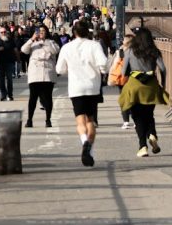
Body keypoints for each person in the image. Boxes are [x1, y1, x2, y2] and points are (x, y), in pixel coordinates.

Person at [55, 20, 108, 167]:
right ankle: (89, 149)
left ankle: (84, 141)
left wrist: (69, 70)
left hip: (76, 88)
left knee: (80, 120)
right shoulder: (95, 45)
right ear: (88, 31)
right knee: (90, 120)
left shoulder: (67, 47)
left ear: (74, 32)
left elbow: (59, 70)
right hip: (92, 87)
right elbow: (103, 64)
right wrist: (103, 71)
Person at [118, 28, 169, 157]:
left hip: (135, 85)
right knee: (149, 113)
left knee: (137, 117)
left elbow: (123, 72)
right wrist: (163, 83)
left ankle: (143, 146)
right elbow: (162, 68)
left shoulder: (130, 51)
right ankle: (152, 134)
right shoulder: (154, 51)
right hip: (151, 85)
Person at [20, 25, 59, 128]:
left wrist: (45, 41)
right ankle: (29, 120)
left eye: (43, 30)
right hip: (35, 73)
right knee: (33, 97)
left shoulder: (51, 42)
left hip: (47, 72)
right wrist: (32, 39)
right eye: (39, 31)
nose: (41, 32)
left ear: (46, 32)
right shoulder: (33, 43)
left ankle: (48, 119)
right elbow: (23, 50)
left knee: (48, 97)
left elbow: (55, 50)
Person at [108, 33, 134, 129]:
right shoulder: (136, 51)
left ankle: (126, 121)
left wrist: (110, 75)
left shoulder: (121, 51)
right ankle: (136, 120)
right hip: (134, 77)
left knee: (123, 99)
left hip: (122, 77)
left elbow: (113, 63)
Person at [0, 24, 17, 101]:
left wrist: (18, 58)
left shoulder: (10, 40)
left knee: (9, 79)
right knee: (1, 80)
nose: (3, 33)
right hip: (0, 62)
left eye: (4, 32)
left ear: (6, 32)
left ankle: (10, 94)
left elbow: (15, 49)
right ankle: (3, 94)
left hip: (9, 62)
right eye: (1, 32)